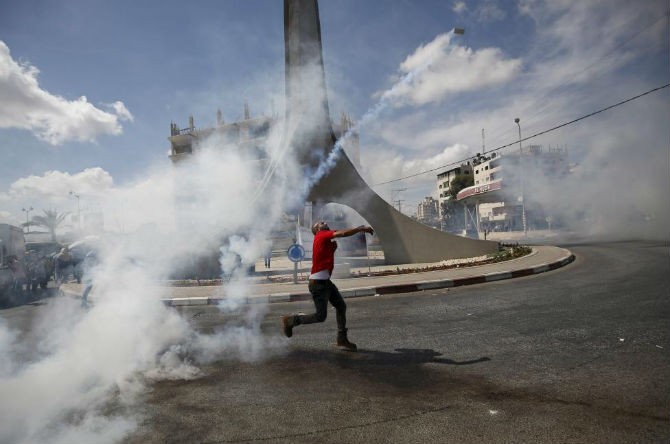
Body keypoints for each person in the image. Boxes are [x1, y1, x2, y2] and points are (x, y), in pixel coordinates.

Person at [281, 220, 374, 351]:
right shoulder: (321, 235)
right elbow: (343, 233)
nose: (323, 222)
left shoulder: (325, 241)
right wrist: (360, 228)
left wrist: (333, 249)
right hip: (318, 284)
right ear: (317, 230)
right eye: (319, 223)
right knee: (320, 316)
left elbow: (327, 254)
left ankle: (342, 339)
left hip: (326, 283)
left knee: (341, 306)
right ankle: (291, 320)